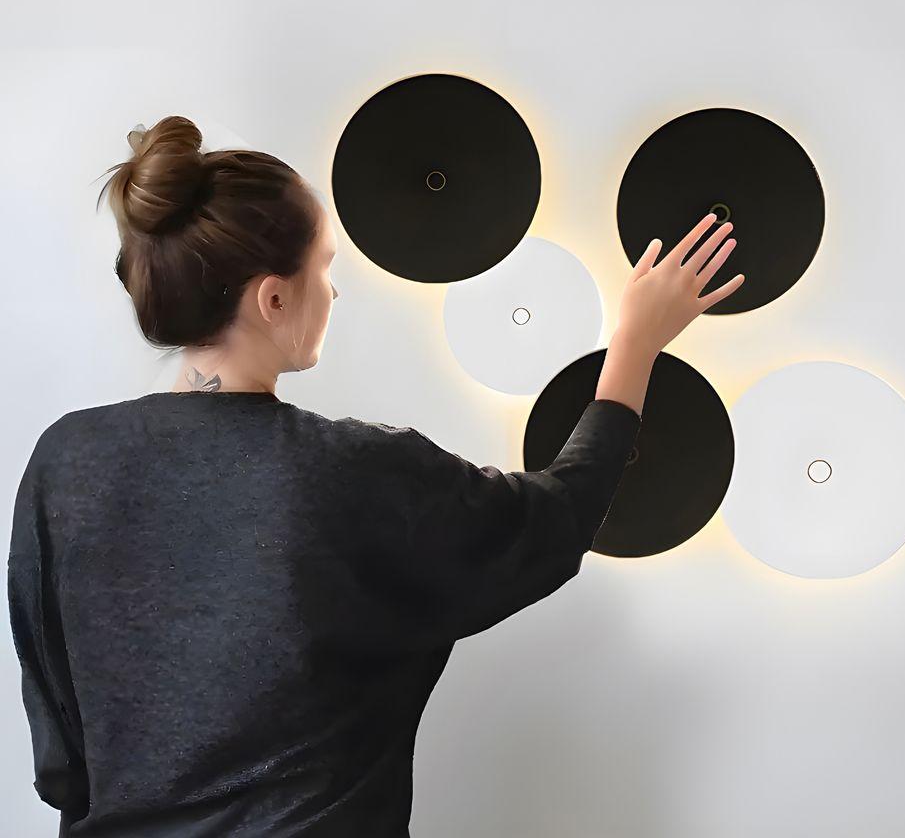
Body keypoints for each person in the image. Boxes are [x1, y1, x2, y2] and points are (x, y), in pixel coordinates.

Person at [6, 115, 744, 837]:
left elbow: (62, 756)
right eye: (325, 268)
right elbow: (557, 518)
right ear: (273, 298)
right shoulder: (345, 472)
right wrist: (636, 343)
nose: (333, 293)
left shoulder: (65, 462)